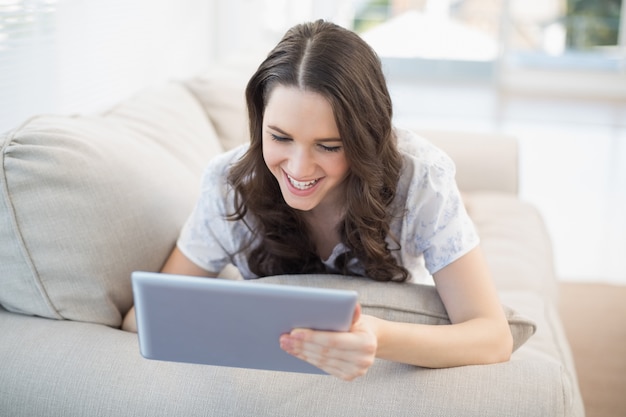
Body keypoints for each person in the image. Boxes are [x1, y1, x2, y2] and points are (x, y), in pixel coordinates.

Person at [123, 20, 513, 381]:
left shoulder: (422, 179)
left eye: (328, 146)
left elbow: (493, 336)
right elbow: (142, 318)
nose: (298, 167)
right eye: (280, 137)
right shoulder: (230, 184)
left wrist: (377, 335)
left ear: (366, 139)